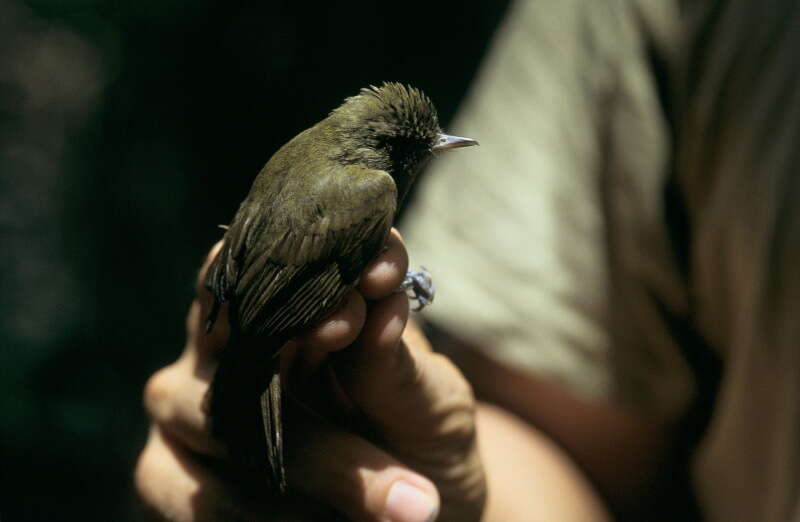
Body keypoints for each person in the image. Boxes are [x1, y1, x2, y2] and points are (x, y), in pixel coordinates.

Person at [135, 0, 800, 520]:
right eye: (420, 145)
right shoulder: (369, 190)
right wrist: (263, 353)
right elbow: (318, 288)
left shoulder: (335, 165)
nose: (436, 149)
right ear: (390, 148)